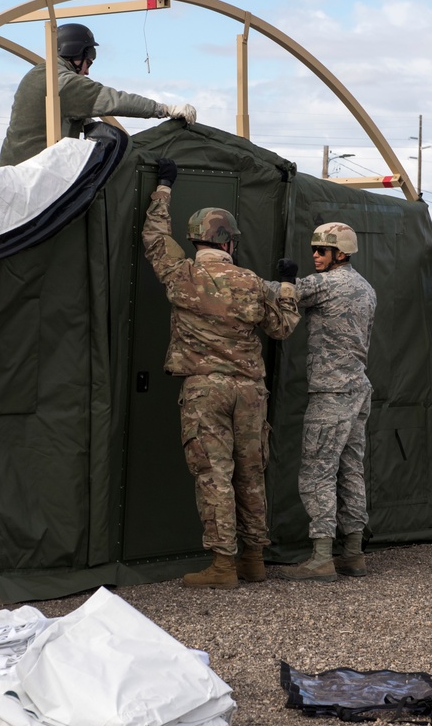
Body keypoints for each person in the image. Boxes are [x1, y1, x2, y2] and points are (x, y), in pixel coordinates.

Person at [142, 158, 300, 589]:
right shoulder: (251, 282)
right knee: (250, 474)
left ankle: (222, 566)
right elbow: (282, 328)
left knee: (215, 474)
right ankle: (253, 560)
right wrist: (286, 286)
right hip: (250, 391)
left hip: (204, 389)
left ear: (196, 239)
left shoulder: (181, 273)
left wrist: (163, 189)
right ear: (229, 242)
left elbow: (155, 237)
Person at [277, 223, 376, 582]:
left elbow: (282, 295)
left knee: (317, 472)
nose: (315, 256)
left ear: (341, 254)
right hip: (357, 391)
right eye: (315, 249)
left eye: (322, 251)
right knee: (351, 471)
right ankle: (353, 554)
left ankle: (321, 556)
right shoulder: (366, 288)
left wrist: (286, 280)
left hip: (331, 394)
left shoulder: (326, 284)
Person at [0, 23, 197, 167]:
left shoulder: (38, 74)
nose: (87, 71)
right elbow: (115, 100)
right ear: (75, 54)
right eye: (89, 62)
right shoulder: (64, 82)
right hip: (36, 175)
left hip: (15, 170)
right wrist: (165, 110)